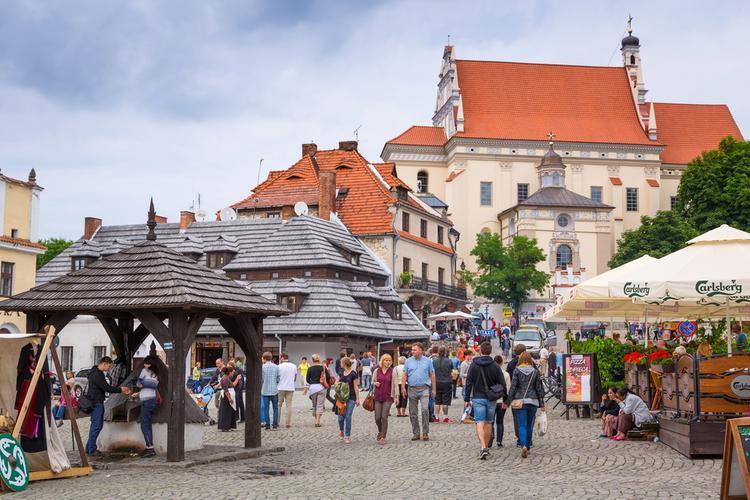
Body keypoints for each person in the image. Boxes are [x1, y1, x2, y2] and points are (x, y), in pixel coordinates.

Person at [464, 342, 508, 460]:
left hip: (478, 397)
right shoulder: (495, 366)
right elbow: (502, 384)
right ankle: (486, 447)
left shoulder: (474, 365)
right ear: (490, 351)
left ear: (480, 351)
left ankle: (483, 447)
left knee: (479, 422)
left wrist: (466, 398)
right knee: (489, 422)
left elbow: (468, 382)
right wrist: (505, 399)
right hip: (492, 398)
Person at [85, 356, 130, 456]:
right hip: (96, 403)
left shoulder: (94, 372)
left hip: (94, 402)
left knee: (95, 426)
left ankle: (89, 447)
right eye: (109, 366)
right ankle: (91, 449)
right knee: (96, 426)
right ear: (104, 363)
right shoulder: (97, 374)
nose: (109, 369)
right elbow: (106, 388)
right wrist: (121, 390)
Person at [508, 351, 545, 458]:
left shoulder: (516, 370)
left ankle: (523, 445)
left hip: (520, 401)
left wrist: (508, 401)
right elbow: (538, 389)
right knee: (529, 425)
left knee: (522, 425)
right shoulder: (535, 371)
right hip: (533, 401)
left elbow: (513, 387)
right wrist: (541, 403)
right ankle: (528, 446)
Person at [402, 342, 436, 441]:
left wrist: (434, 389)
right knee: (413, 412)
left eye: (414, 350)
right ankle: (416, 433)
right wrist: (403, 387)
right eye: (412, 350)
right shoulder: (408, 361)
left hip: (424, 388)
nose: (412, 351)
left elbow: (432, 375)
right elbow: (404, 375)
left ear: (421, 350)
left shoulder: (428, 361)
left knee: (425, 410)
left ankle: (425, 432)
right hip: (412, 389)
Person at [132, 355, 159, 457]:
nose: (144, 365)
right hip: (151, 399)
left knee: (144, 425)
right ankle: (149, 447)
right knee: (148, 424)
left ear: (150, 364)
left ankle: (150, 448)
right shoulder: (156, 374)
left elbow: (139, 384)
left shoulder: (145, 371)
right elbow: (150, 386)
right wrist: (139, 393)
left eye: (146, 363)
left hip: (146, 401)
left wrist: (139, 384)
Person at [372, 353, 399, 444]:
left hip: (388, 397)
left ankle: (383, 436)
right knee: (377, 418)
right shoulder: (377, 371)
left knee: (384, 417)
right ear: (382, 361)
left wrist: (397, 396)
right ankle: (380, 431)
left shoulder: (393, 371)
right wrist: (375, 383)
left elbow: (395, 384)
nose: (388, 362)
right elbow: (373, 381)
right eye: (386, 360)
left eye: (389, 360)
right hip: (378, 396)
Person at [487, 355, 511, 448]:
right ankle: (499, 442)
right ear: (501, 363)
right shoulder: (506, 374)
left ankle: (490, 438)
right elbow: (508, 389)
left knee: (491, 421)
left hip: (492, 400)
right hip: (502, 400)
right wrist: (507, 401)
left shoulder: (490, 373)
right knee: (500, 422)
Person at [336, 357, 360, 443]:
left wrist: (357, 399)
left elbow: (356, 387)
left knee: (348, 416)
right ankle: (341, 430)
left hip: (351, 398)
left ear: (344, 363)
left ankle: (347, 436)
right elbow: (336, 382)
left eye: (341, 362)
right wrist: (340, 385)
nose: (340, 364)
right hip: (341, 398)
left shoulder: (353, 374)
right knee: (340, 418)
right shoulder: (340, 372)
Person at [433, 346, 454, 424]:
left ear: (438, 352)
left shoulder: (434, 361)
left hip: (437, 382)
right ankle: (445, 417)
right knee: (446, 401)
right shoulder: (449, 361)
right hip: (447, 382)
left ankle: (437, 418)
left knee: (437, 401)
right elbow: (451, 369)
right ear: (445, 352)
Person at [305, 354, 327, 427]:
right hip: (321, 387)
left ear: (312, 360)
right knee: (320, 405)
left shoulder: (310, 369)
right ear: (319, 359)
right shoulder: (323, 368)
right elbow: (328, 377)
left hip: (313, 388)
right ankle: (317, 421)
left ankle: (316, 420)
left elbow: (307, 380)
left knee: (314, 405)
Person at [277, 353, 297, 428]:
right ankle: (288, 423)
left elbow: (277, 378)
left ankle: (278, 422)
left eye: (280, 358)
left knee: (279, 405)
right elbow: (295, 378)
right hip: (290, 387)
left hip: (280, 387)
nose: (279, 359)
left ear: (282, 358)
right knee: (289, 405)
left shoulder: (279, 366)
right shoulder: (294, 366)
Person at [261, 352, 280, 431]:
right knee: (275, 408)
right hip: (274, 390)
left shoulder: (262, 367)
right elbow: (278, 378)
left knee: (266, 408)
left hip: (265, 390)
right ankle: (275, 425)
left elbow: (261, 379)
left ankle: (267, 425)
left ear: (264, 358)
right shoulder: (276, 367)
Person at [217, 366, 237, 432]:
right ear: (230, 372)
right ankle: (225, 427)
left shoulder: (226, 377)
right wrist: (229, 398)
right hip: (226, 397)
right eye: (232, 372)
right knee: (226, 412)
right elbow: (226, 390)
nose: (232, 374)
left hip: (227, 396)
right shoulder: (225, 378)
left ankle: (229, 426)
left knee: (229, 412)